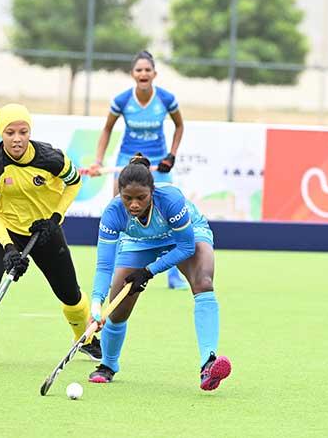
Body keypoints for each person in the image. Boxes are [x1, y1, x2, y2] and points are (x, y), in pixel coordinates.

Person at [0, 103, 100, 364]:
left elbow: (74, 183)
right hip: (4, 229)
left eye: (23, 131)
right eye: (10, 132)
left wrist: (55, 218)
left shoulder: (51, 157)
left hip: (45, 230)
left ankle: (86, 340)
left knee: (70, 294)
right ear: (1, 134)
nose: (17, 138)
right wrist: (8, 248)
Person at [87, 154, 232, 391]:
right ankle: (108, 365)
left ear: (152, 192)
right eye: (127, 198)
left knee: (203, 282)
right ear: (119, 195)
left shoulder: (171, 200)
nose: (134, 204)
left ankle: (208, 364)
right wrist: (95, 306)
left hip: (184, 235)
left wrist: (149, 271)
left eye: (141, 198)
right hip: (138, 242)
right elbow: (104, 265)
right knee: (118, 306)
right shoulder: (113, 213)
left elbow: (186, 247)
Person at [88, 50, 189, 290]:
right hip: (127, 160)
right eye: (139, 70)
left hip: (158, 161)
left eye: (147, 70)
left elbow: (179, 126)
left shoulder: (165, 98)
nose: (143, 74)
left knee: (170, 214)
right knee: (121, 214)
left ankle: (174, 277)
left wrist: (171, 155)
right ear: (133, 74)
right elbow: (106, 130)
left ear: (154, 73)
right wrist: (98, 161)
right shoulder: (122, 100)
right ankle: (117, 271)